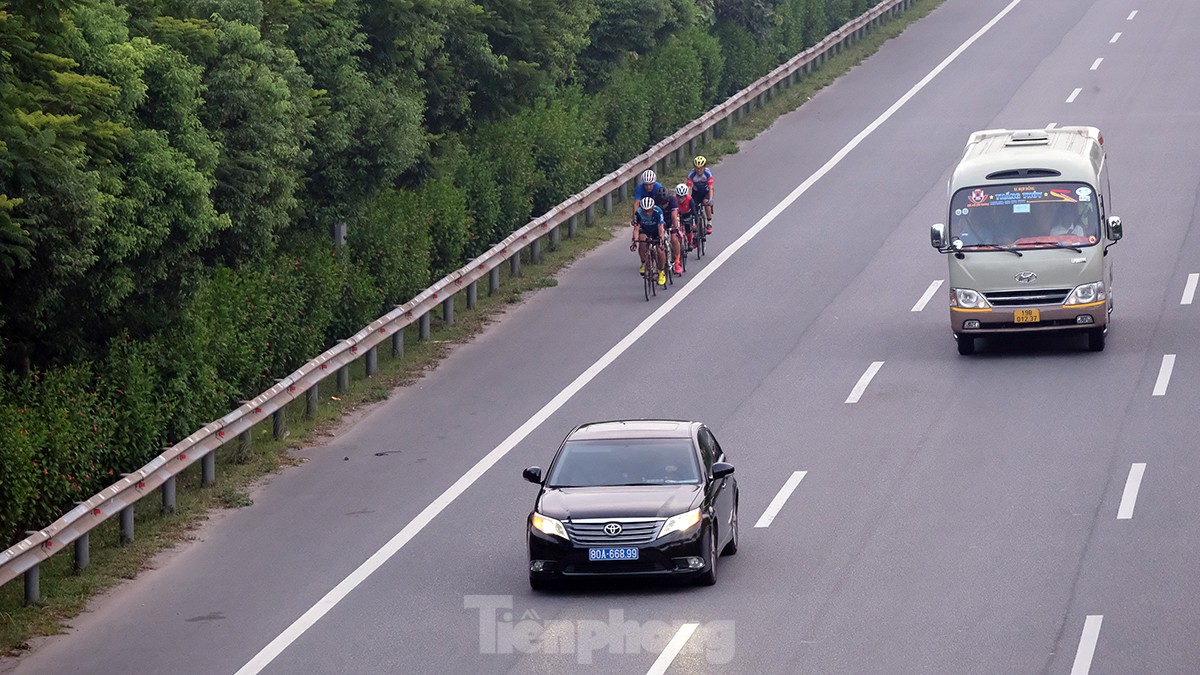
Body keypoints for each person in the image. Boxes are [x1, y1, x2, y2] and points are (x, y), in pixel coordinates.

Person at [631, 196, 668, 286]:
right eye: (645, 210)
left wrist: (661, 240)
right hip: (645, 229)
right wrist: (635, 241)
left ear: (652, 207)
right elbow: (636, 229)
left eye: (649, 210)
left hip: (656, 230)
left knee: (660, 250)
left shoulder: (658, 211)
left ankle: (662, 271)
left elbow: (661, 228)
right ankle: (643, 263)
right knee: (642, 241)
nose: (647, 213)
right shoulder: (638, 213)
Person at [653, 184, 683, 275]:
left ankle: (677, 262)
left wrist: (676, 228)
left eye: (665, 204)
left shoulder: (673, 200)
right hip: (660, 222)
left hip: (671, 220)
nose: (663, 206)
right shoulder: (654, 201)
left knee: (674, 238)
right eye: (661, 204)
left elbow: (674, 215)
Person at [686, 156, 715, 234]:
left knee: (707, 203)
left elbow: (711, 188)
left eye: (700, 168)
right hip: (696, 192)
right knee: (693, 206)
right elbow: (689, 188)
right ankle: (695, 224)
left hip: (706, 192)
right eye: (697, 168)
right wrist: (688, 200)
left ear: (704, 167)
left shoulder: (708, 174)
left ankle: (709, 223)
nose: (698, 170)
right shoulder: (691, 175)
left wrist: (711, 199)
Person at [675, 183, 694, 250]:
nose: (680, 199)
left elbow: (694, 211)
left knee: (688, 227)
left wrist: (694, 223)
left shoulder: (690, 199)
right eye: (678, 196)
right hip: (678, 215)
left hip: (687, 214)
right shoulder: (674, 200)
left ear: (686, 196)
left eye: (682, 197)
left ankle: (689, 242)